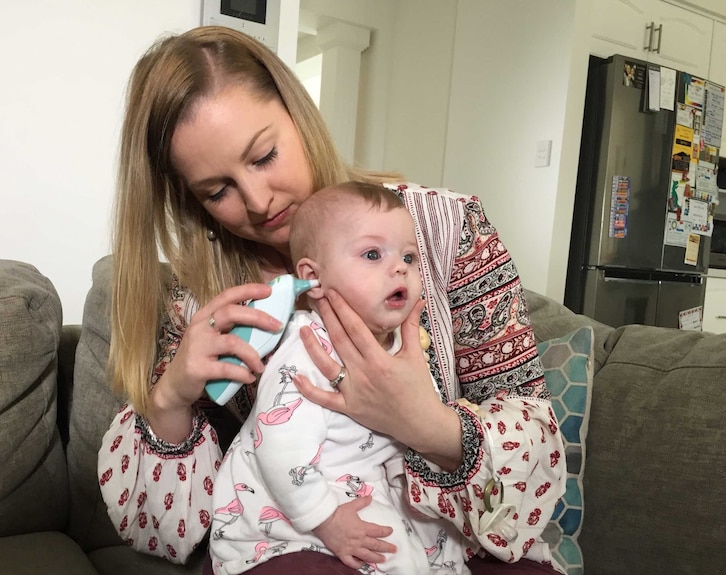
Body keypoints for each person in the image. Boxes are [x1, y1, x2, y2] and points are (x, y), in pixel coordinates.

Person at [97, 25, 566, 575]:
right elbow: (168, 536)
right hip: (308, 544)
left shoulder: (445, 230)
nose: (257, 199)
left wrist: (422, 421)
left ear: (299, 114)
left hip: (451, 540)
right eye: (217, 191)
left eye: (265, 155)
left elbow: (532, 441)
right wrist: (172, 395)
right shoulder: (201, 302)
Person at [210, 181, 446, 575]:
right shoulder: (306, 345)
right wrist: (326, 519)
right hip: (292, 508)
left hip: (362, 486)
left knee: (439, 540)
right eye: (373, 254)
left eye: (409, 256)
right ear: (313, 277)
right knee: (390, 550)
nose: (400, 267)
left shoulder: (404, 348)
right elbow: (279, 445)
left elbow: (421, 426)